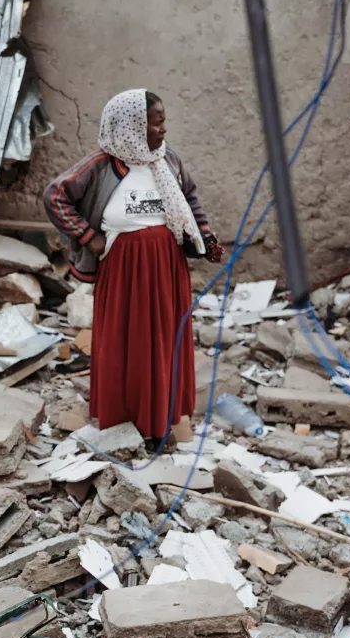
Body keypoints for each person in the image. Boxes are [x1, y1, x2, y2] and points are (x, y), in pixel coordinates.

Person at [43, 89, 225, 440]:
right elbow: (55, 195)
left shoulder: (167, 160)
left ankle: (161, 422)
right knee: (127, 343)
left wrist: (204, 239)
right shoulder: (101, 164)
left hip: (167, 266)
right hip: (125, 267)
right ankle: (124, 422)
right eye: (156, 124)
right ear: (132, 127)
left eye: (163, 123)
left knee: (164, 342)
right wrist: (88, 237)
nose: (163, 131)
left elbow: (188, 200)